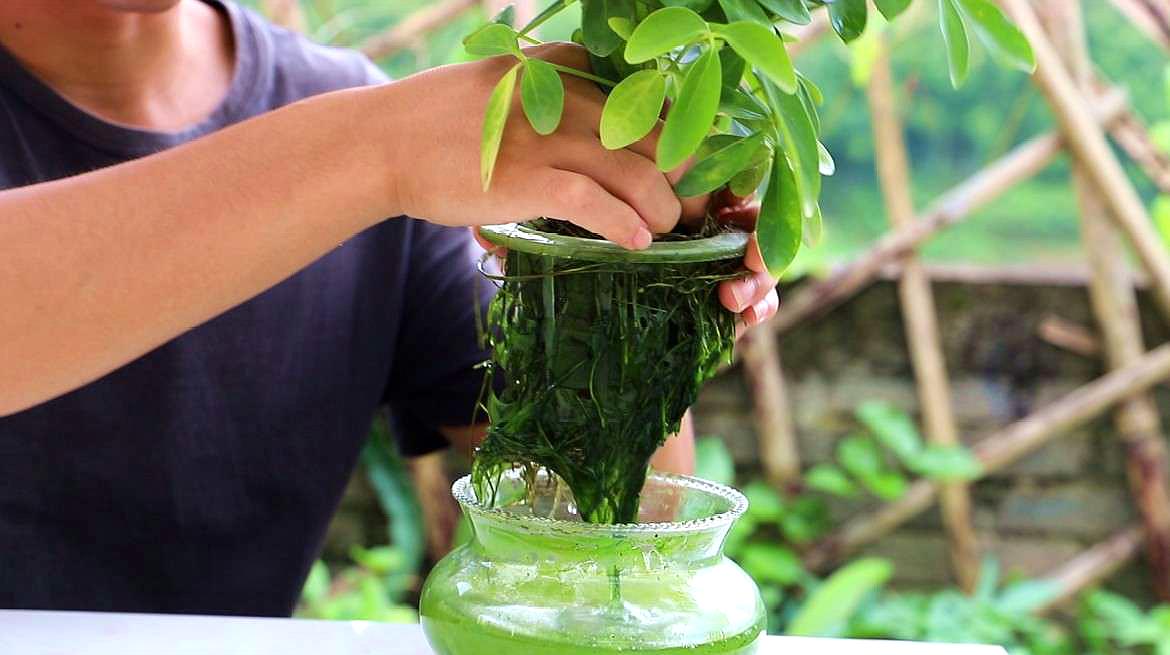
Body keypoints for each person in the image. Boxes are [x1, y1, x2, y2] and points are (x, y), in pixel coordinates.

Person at [0, 0, 780, 616]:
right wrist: (377, 150)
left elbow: (622, 541)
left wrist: (639, 268)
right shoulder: (379, 141)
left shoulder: (351, 115)